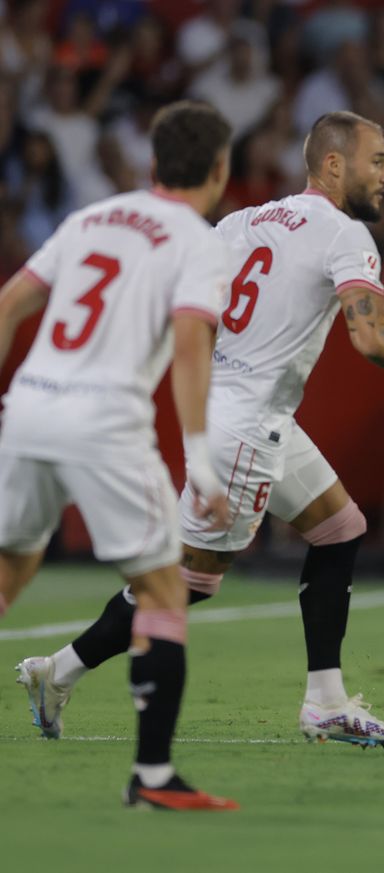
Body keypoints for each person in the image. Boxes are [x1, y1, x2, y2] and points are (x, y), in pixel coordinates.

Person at [20, 110, 384, 748]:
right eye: (377, 160)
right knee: (186, 582)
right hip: (248, 429)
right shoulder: (345, 235)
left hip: (244, 412)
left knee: (340, 527)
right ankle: (61, 672)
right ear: (332, 164)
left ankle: (325, 700)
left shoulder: (243, 222)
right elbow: (372, 336)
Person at [2, 101, 237, 809]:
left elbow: (10, 302)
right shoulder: (197, 241)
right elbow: (192, 344)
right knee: (164, 590)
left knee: (10, 569)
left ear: (154, 161)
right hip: (104, 421)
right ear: (219, 169)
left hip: (30, 404)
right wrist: (199, 460)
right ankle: (156, 778)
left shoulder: (91, 218)